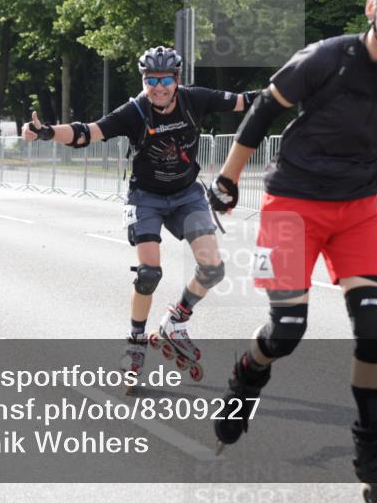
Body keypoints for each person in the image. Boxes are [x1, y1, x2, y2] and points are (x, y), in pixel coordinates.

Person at [207, 0, 377, 501]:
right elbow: (267, 108)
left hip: (356, 210)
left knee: (372, 329)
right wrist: (227, 179)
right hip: (291, 205)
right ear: (372, 8)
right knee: (287, 330)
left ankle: (374, 458)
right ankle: (247, 377)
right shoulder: (327, 58)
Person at [22, 46, 258, 387]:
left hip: (187, 195)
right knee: (149, 273)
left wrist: (296, 87)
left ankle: (175, 320)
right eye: (151, 80)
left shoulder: (195, 100)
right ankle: (135, 343)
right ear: (143, 80)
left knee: (212, 268)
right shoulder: (135, 111)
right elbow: (87, 132)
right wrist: (47, 132)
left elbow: (245, 101)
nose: (158, 87)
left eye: (165, 79)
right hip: (146, 198)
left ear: (177, 80)